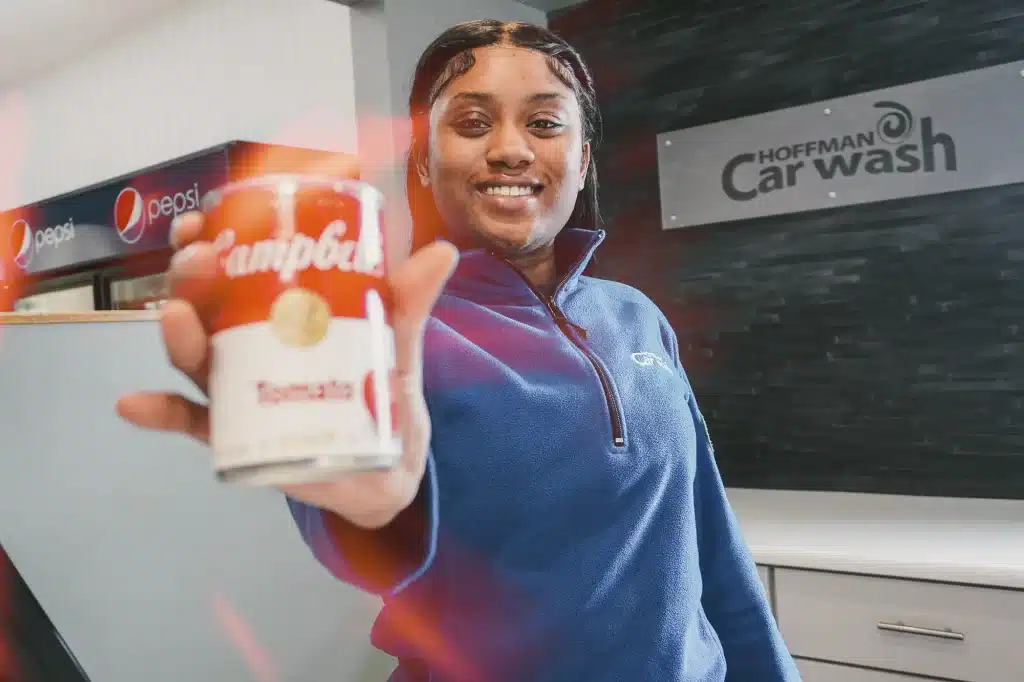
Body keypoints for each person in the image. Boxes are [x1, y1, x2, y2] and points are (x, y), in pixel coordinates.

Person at [117, 19, 801, 682]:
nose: (511, 149)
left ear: (584, 155)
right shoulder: (382, 336)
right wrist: (377, 515)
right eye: (473, 123)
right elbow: (371, 539)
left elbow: (712, 547)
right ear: (424, 155)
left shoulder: (637, 317)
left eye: (545, 122)